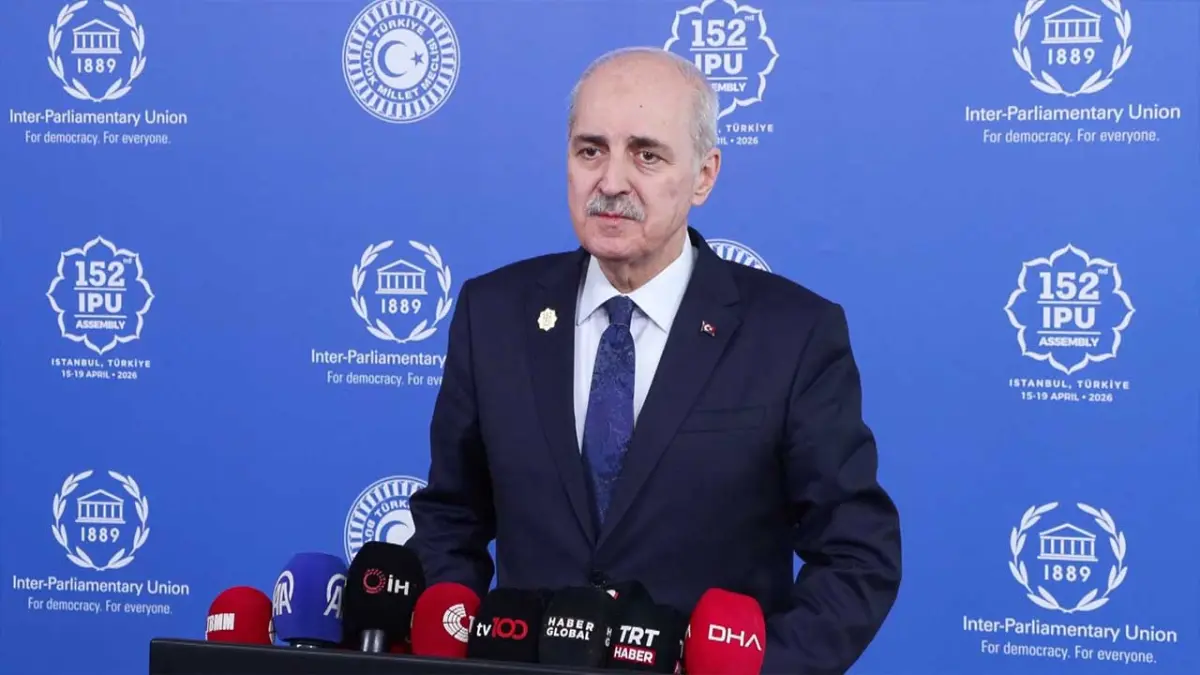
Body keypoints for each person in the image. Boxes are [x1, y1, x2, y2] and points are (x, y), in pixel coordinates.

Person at [408, 46, 902, 674]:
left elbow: (858, 556)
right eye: (591, 150)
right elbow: (450, 518)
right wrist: (465, 648)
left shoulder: (794, 334)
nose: (612, 182)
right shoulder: (493, 314)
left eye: (646, 155)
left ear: (704, 175)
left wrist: (753, 669)